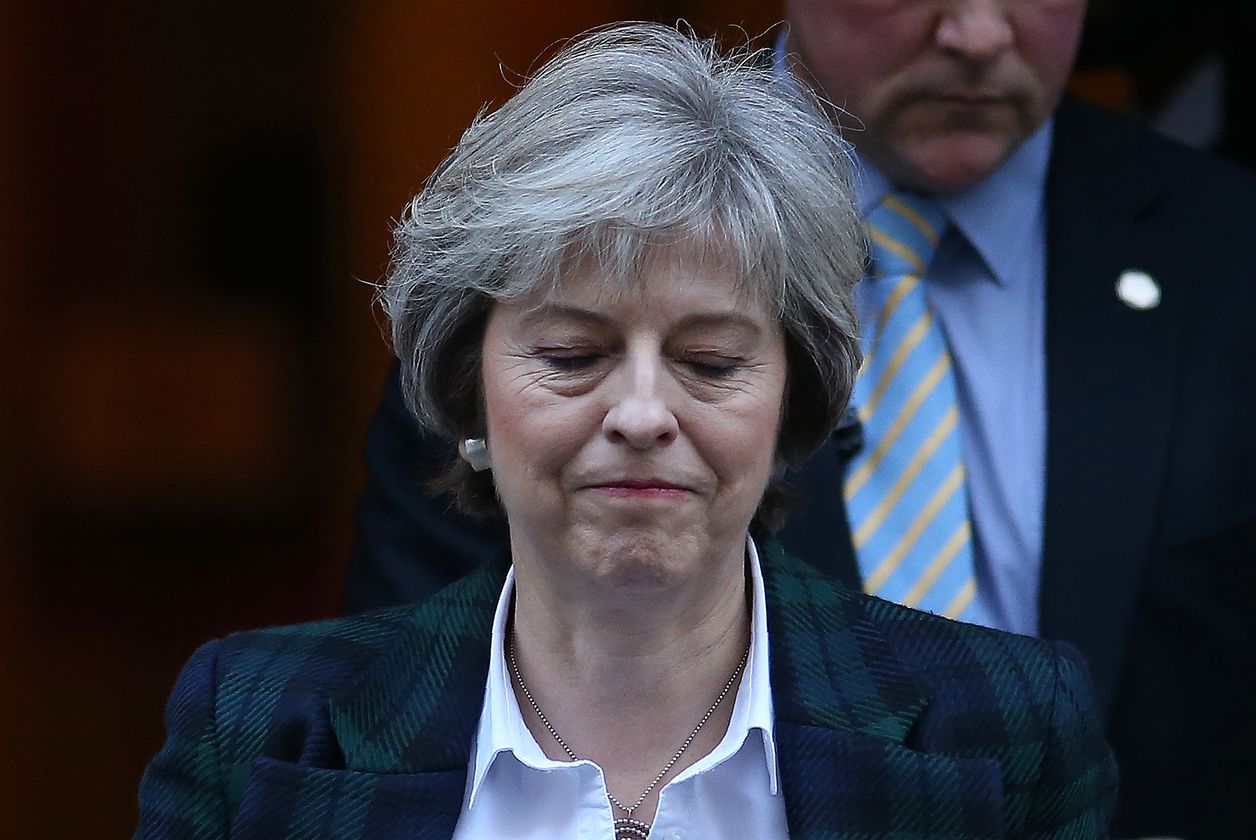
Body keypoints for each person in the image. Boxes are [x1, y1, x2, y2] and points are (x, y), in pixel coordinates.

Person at [134, 24, 1117, 840]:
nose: (643, 415)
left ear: (794, 402)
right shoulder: (261, 727)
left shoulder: (1004, 730)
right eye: (569, 356)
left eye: (710, 363)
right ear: (466, 392)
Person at [345, 3, 1256, 838]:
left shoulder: (1244, 261)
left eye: (710, 362)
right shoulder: (553, 235)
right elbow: (387, 728)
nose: (979, 33)